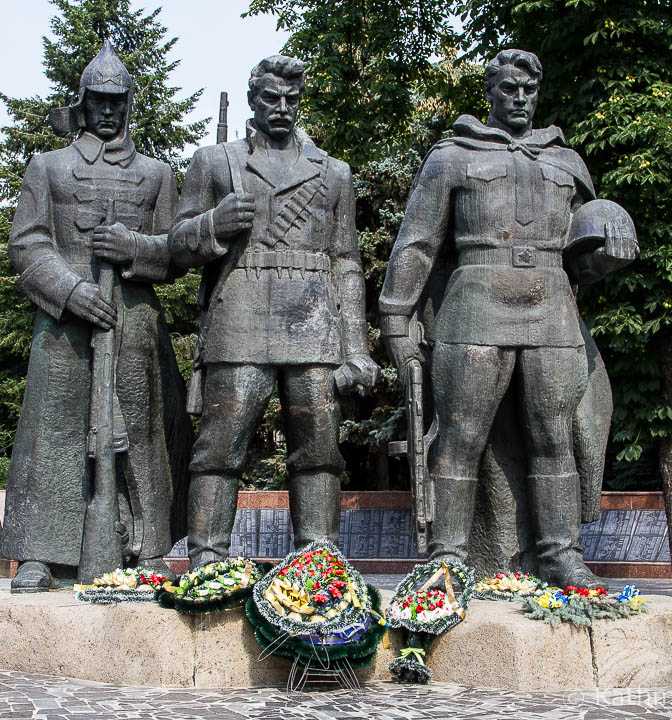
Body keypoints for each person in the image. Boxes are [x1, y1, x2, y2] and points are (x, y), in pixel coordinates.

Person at [378, 49, 638, 587]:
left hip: (551, 307)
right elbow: (418, 244)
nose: (520, 98)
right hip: (475, 301)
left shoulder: (566, 163)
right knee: (460, 436)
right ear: (491, 92)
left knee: (554, 436)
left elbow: (580, 261)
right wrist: (396, 317)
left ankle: (559, 553)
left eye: (529, 89)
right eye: (510, 88)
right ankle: (447, 555)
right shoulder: (451, 156)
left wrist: (608, 249)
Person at [171, 55, 379, 570]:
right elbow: (175, 246)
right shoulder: (213, 163)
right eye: (270, 98)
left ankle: (319, 564)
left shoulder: (333, 172)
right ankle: (207, 562)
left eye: (291, 98)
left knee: (319, 452)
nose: (282, 108)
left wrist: (356, 347)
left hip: (313, 324)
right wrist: (215, 223)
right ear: (252, 101)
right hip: (239, 318)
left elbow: (347, 263)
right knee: (221, 447)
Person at [2, 40, 192, 591]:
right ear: (81, 102)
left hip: (133, 324)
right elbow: (28, 244)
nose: (107, 110)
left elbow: (175, 251)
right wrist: (69, 290)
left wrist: (133, 247)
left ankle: (148, 546)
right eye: (98, 100)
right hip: (64, 325)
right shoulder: (49, 167)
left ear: (129, 103)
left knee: (142, 432)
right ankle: (41, 553)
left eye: (117, 101)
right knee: (54, 433)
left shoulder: (157, 175)